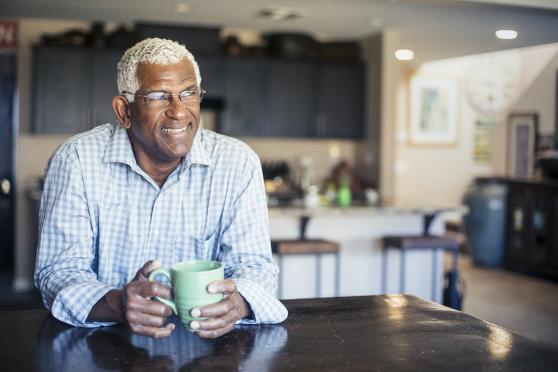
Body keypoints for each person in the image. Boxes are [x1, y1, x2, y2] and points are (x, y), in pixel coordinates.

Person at [34, 38, 288, 339]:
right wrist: (117, 304)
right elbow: (58, 272)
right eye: (158, 96)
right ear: (124, 111)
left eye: (188, 93)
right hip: (103, 347)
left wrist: (240, 302)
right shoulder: (76, 160)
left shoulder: (237, 163)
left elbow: (255, 266)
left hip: (207, 349)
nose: (179, 111)